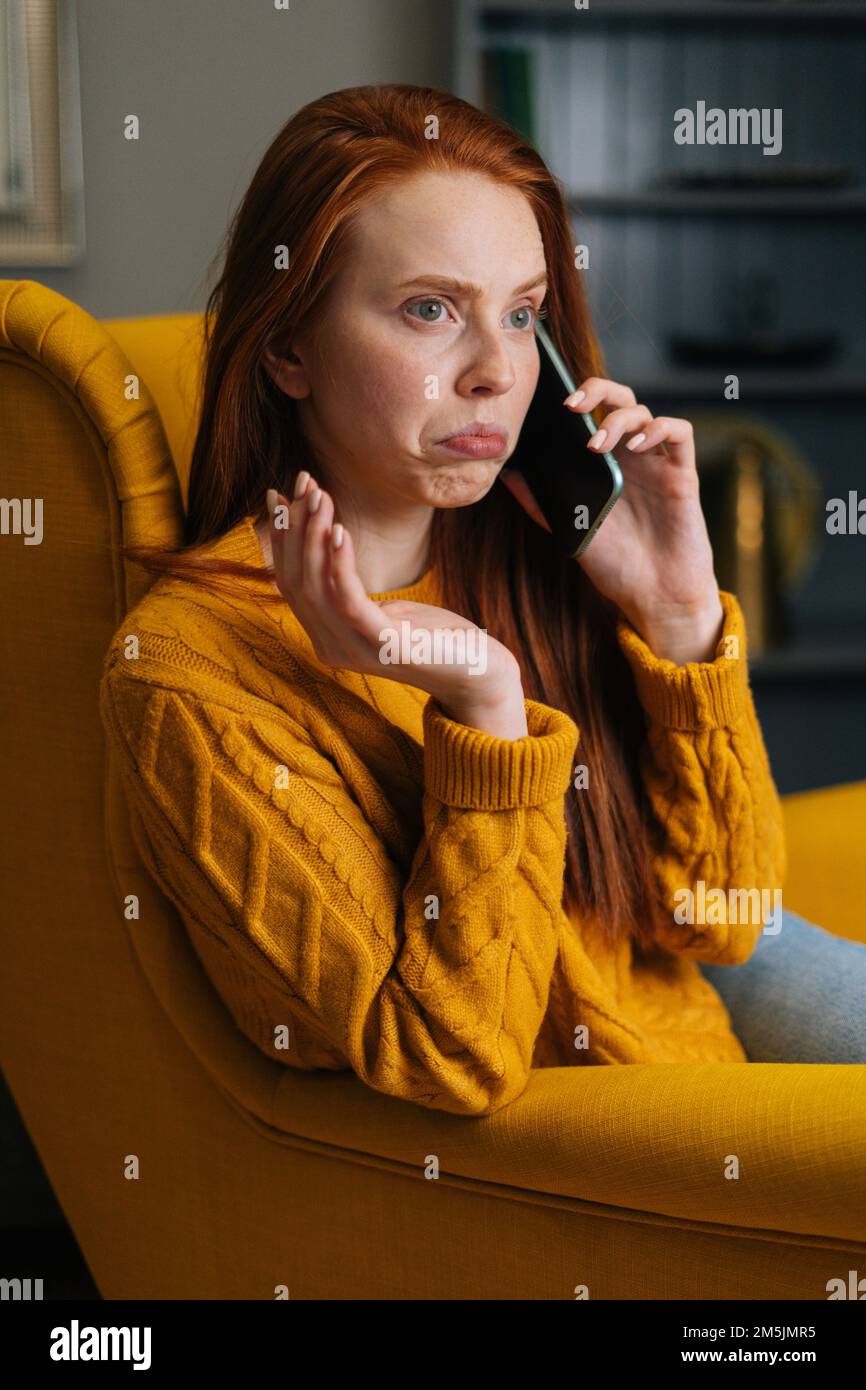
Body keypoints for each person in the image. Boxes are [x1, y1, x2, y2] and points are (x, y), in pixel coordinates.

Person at [99, 84, 866, 1118]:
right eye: (428, 309)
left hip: (702, 1038)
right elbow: (452, 1057)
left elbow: (720, 920)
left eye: (521, 313)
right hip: (631, 1158)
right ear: (287, 348)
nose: (497, 372)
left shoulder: (531, 548)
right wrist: (483, 703)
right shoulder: (189, 672)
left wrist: (677, 617)